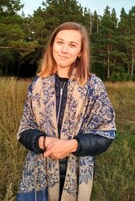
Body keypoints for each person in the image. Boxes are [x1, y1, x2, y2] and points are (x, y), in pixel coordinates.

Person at [17, 22, 116, 201]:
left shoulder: (93, 86)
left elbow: (106, 133)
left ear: (80, 52)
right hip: (40, 171)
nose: (64, 50)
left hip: (76, 174)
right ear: (52, 45)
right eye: (60, 42)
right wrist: (42, 141)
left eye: (72, 45)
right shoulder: (37, 85)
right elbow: (24, 129)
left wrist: (72, 145)